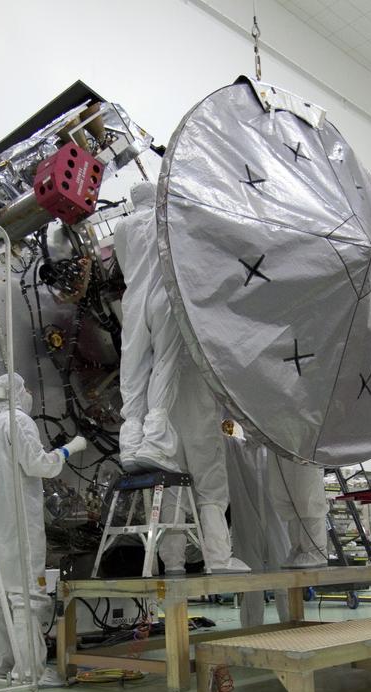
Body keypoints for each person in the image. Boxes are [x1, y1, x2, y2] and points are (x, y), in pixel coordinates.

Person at [0, 373, 86, 686]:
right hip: (18, 523)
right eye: (24, 388)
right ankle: (30, 672)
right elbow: (40, 465)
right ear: (14, 392)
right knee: (26, 595)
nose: (28, 393)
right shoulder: (19, 420)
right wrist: (70, 449)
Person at [114, 181, 182, 473]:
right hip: (165, 298)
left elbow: (124, 262)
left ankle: (129, 445)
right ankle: (155, 443)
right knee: (164, 363)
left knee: (133, 371)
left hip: (133, 302)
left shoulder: (122, 227)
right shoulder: (167, 217)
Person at [158, 375, 251, 573]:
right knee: (211, 491)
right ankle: (218, 559)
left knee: (174, 492)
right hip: (202, 420)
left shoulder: (167, 349)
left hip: (168, 424)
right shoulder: (200, 348)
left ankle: (173, 562)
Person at [223, 421, 293, 627]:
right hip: (247, 524)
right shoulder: (235, 449)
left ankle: (291, 628)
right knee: (250, 582)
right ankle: (251, 634)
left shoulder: (276, 453)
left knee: (284, 582)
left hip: (278, 524)